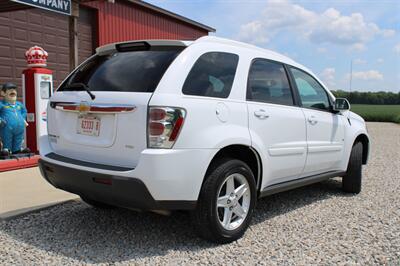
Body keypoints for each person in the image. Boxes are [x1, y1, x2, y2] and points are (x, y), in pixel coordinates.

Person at [0, 82, 29, 154]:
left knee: (18, 137)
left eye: (14, 89)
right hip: (6, 127)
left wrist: (22, 118)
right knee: (7, 137)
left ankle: (17, 149)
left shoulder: (19, 104)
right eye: (9, 89)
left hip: (20, 127)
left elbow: (24, 111)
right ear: (3, 93)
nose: (12, 91)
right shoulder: (2, 104)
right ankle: (7, 149)